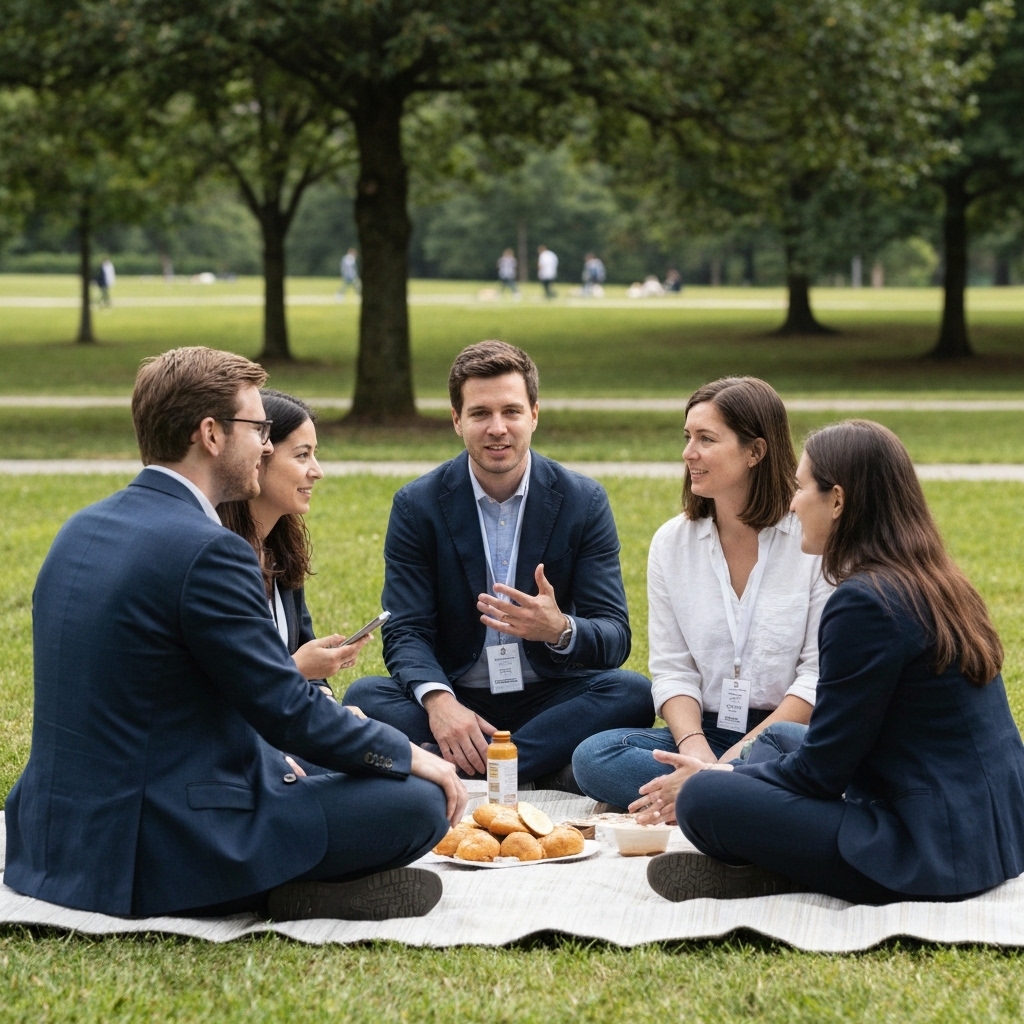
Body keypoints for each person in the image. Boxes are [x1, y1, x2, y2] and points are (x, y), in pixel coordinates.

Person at [3, 346, 463, 922]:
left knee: (331, 765)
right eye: (259, 428)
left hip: (50, 840)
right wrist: (410, 758)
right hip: (157, 851)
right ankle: (272, 892)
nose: (266, 445)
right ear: (211, 434)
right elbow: (287, 711)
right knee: (417, 802)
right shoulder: (210, 550)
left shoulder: (80, 527)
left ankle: (297, 883)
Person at [646, 419, 1024, 904]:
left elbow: (821, 774)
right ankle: (774, 858)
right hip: (996, 835)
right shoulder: (937, 578)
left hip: (931, 850)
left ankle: (778, 868)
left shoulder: (865, 602)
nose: (792, 502)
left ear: (839, 501)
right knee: (779, 737)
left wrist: (720, 776)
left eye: (801, 488)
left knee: (702, 799)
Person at [343, 341, 654, 790]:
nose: (497, 429)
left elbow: (614, 635)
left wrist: (560, 629)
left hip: (550, 696)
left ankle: (468, 769)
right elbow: (406, 630)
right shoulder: (418, 505)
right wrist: (439, 703)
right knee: (365, 697)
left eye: (511, 411)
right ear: (456, 420)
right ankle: (538, 768)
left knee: (631, 693)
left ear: (534, 415)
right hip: (461, 696)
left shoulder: (583, 501)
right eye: (480, 414)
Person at [573, 377, 831, 813]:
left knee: (819, 762)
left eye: (706, 439)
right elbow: (672, 669)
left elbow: (816, 678)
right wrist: (696, 751)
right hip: (706, 733)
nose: (687, 453)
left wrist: (728, 767)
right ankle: (728, 800)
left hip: (785, 737)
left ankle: (707, 796)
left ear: (756, 452)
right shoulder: (672, 543)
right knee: (594, 757)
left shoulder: (809, 539)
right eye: (687, 437)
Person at [218, 389, 372, 698]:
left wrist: (329, 704)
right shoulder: (215, 559)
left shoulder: (281, 549)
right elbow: (223, 687)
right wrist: (297, 668)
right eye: (302, 455)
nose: (317, 471)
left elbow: (306, 657)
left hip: (287, 727)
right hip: (239, 737)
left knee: (370, 704)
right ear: (256, 458)